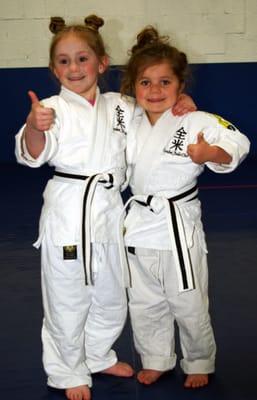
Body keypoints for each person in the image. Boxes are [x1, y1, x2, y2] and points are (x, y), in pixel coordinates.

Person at [15, 16, 196, 400]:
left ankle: (97, 353)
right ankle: (66, 371)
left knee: (113, 295)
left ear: (101, 63)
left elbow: (154, 113)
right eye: (63, 62)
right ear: (53, 70)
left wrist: (181, 101)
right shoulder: (50, 110)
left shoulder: (120, 105)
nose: (74, 68)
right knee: (68, 296)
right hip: (70, 213)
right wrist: (33, 125)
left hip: (112, 212)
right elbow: (33, 153)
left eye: (82, 59)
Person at [118, 26, 250, 389]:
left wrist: (211, 154)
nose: (155, 91)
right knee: (144, 302)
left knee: (188, 299)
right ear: (132, 86)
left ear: (180, 87)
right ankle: (157, 358)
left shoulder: (195, 120)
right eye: (145, 83)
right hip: (140, 226)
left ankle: (198, 359)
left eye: (165, 82)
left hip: (177, 225)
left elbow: (238, 142)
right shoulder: (127, 119)